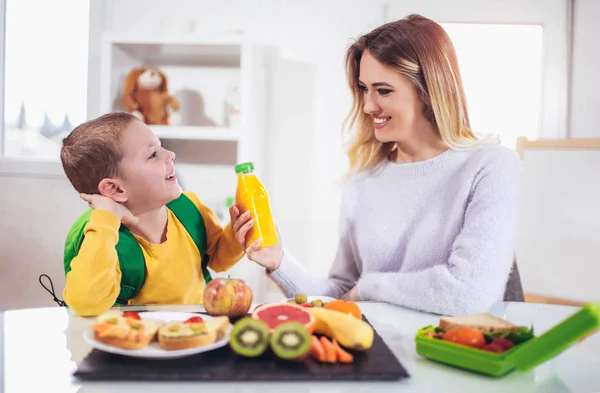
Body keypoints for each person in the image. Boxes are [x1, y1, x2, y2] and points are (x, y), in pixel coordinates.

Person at [233, 14, 523, 316]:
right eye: (363, 89)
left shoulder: (491, 166)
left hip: (456, 355)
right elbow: (341, 294)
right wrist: (279, 261)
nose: (368, 106)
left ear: (427, 92)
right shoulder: (362, 182)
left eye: (383, 90)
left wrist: (371, 288)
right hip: (377, 351)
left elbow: (469, 293)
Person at [60, 112, 252, 317]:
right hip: (136, 341)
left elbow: (218, 259)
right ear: (115, 190)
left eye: (161, 146)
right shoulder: (102, 237)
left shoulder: (189, 208)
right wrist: (106, 217)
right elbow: (86, 304)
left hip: (195, 330)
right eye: (153, 154)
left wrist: (236, 232)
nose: (170, 154)